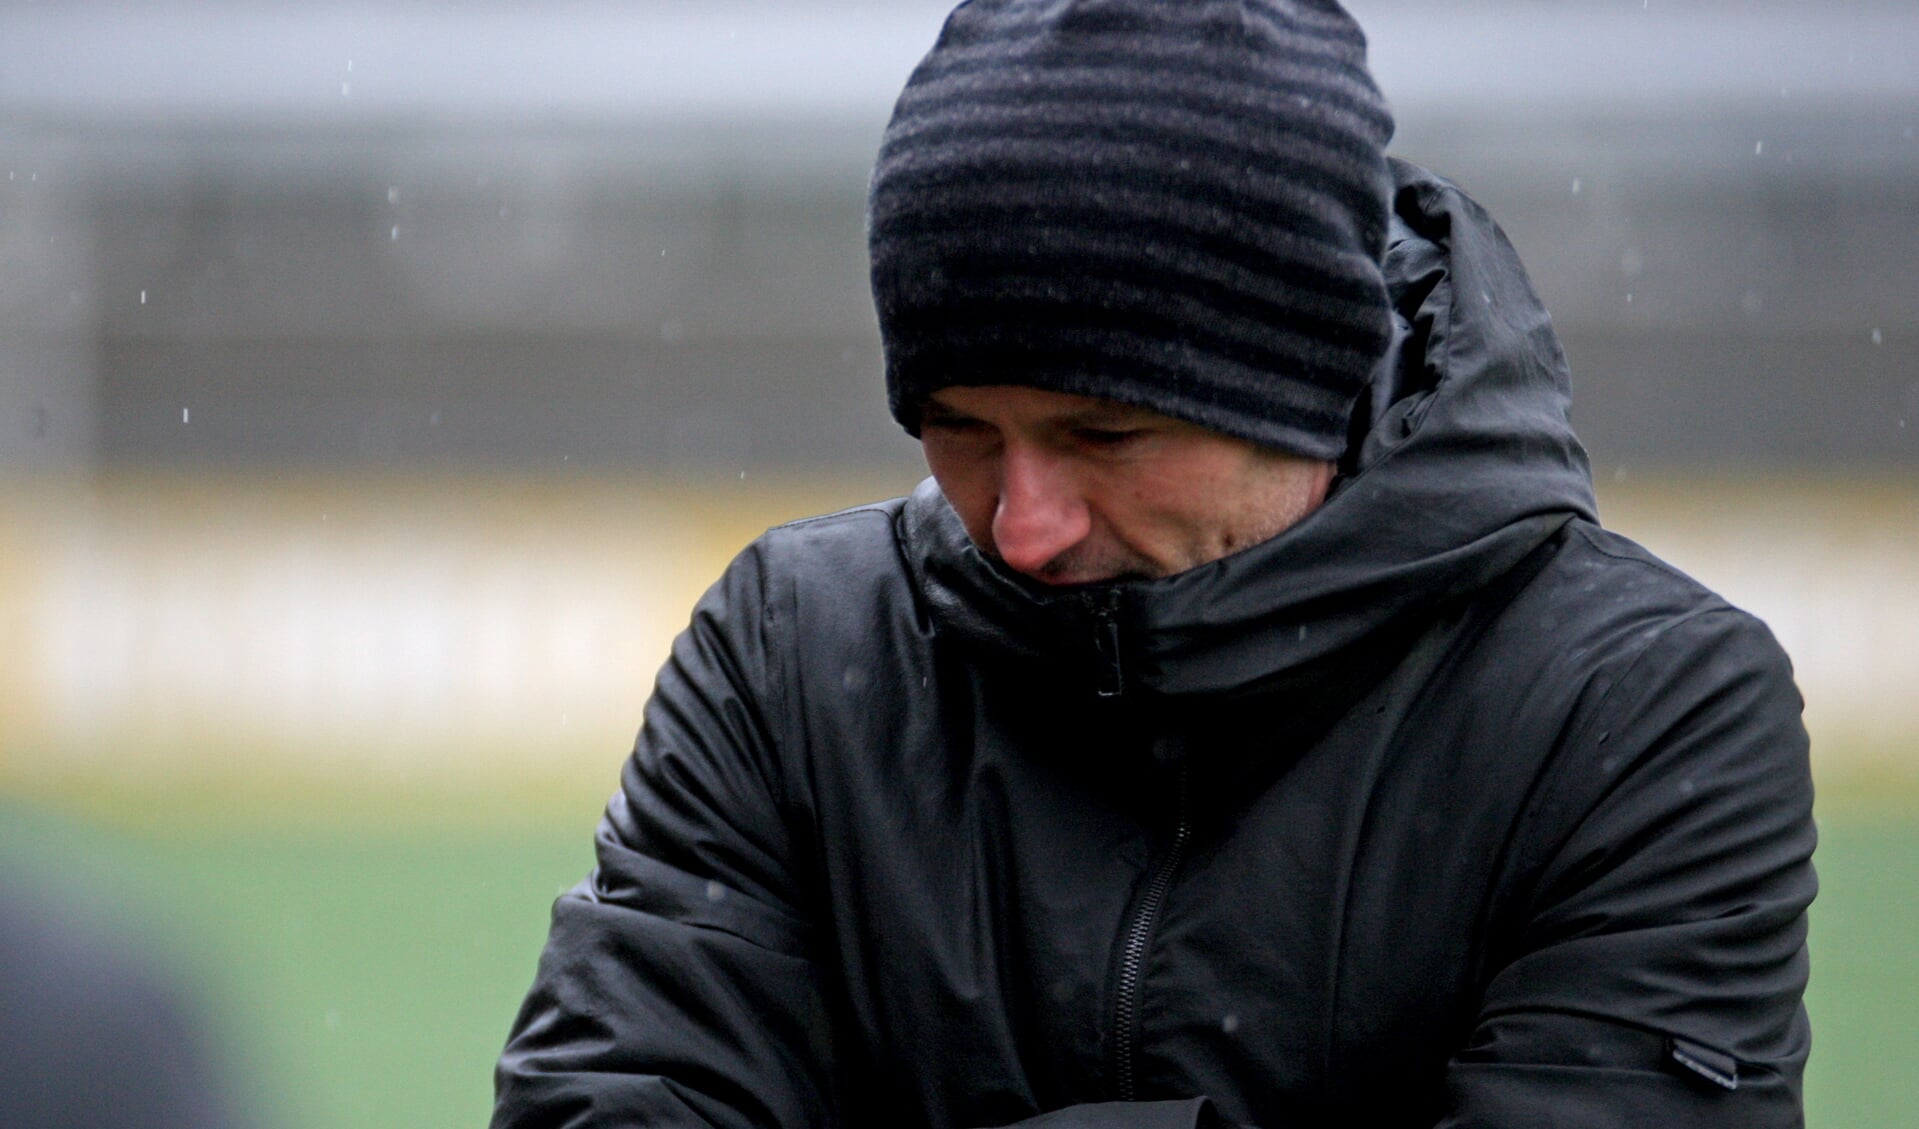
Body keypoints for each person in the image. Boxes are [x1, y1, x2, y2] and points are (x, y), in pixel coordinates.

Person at [493, 1, 1816, 1126]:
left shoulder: (1643, 710)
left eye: (1104, 432)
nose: (1021, 523)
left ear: (1308, 382)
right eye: (958, 428)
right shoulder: (792, 652)